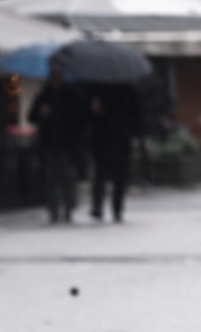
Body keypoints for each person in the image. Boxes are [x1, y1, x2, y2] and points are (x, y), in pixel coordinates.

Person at [28, 70, 87, 223]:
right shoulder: (44, 96)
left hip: (68, 144)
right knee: (51, 178)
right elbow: (32, 116)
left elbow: (80, 119)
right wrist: (42, 113)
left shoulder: (71, 96)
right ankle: (53, 209)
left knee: (68, 177)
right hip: (49, 143)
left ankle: (69, 207)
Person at [89, 84, 140, 222]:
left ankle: (117, 209)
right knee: (100, 176)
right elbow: (89, 117)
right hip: (102, 142)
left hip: (121, 142)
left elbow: (137, 117)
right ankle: (97, 207)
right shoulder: (97, 91)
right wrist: (95, 111)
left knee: (119, 179)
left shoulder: (129, 93)